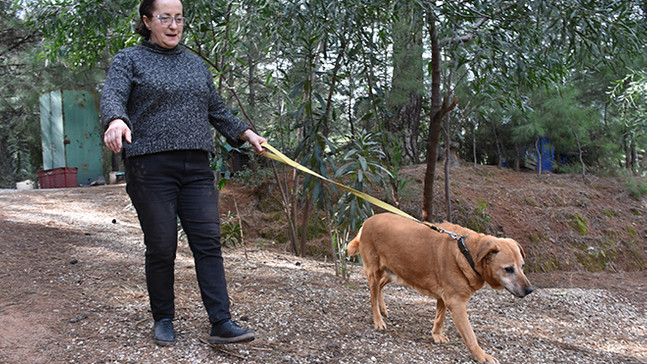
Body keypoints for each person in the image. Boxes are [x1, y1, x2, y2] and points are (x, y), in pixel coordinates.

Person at [100, 0, 266, 347]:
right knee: (161, 246)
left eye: (178, 18)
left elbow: (216, 109)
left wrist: (245, 133)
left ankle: (221, 322)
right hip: (150, 165)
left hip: (196, 167)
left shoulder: (195, 65)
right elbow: (113, 96)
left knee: (208, 244)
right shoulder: (128, 59)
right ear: (147, 21)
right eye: (164, 18)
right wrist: (116, 119)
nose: (173, 25)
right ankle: (163, 318)